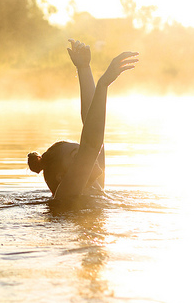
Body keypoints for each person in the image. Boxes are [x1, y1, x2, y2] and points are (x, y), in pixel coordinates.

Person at [28, 40, 138, 201]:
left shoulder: (95, 186)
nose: (85, 157)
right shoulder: (67, 194)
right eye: (76, 156)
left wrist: (84, 68)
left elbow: (90, 127)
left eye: (79, 151)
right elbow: (91, 144)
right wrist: (103, 84)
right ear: (62, 176)